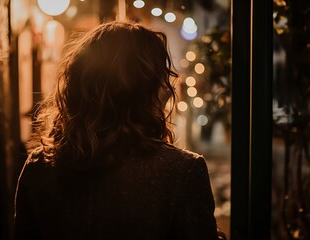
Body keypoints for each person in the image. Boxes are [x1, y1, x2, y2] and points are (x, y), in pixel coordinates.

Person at [14, 21, 226, 240]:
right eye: (162, 76)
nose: (167, 86)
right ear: (146, 90)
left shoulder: (40, 166)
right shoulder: (182, 171)